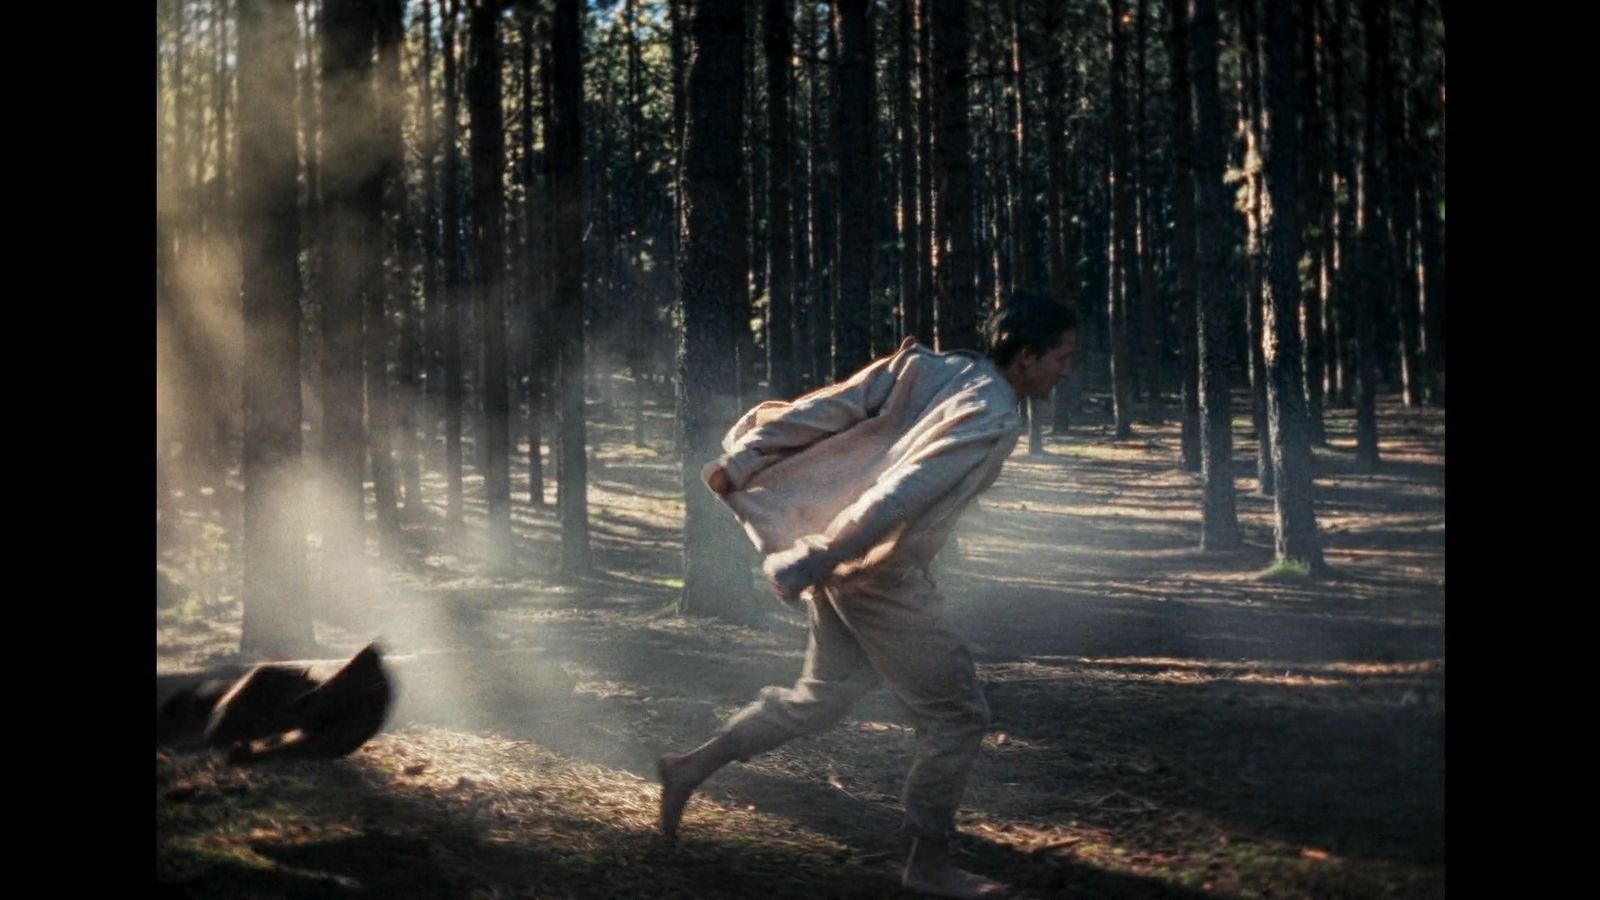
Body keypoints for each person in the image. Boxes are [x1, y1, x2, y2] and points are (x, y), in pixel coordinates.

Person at [659, 293, 1076, 899]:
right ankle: (928, 863)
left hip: (845, 564)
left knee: (822, 698)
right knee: (958, 717)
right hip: (877, 574)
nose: (1068, 369)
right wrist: (820, 554)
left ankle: (689, 767)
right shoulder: (993, 412)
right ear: (1028, 357)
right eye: (1062, 357)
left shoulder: (932, 366)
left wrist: (745, 457)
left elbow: (831, 407)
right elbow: (905, 489)